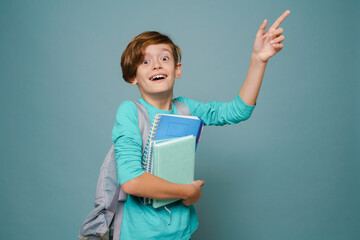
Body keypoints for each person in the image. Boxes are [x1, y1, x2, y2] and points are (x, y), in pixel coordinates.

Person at [112, 10, 290, 240]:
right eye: (145, 61)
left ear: (178, 70)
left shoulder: (186, 108)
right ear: (132, 77)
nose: (156, 65)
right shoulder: (130, 112)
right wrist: (188, 191)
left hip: (182, 231)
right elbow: (131, 181)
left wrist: (258, 60)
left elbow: (238, 111)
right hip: (141, 234)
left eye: (164, 58)